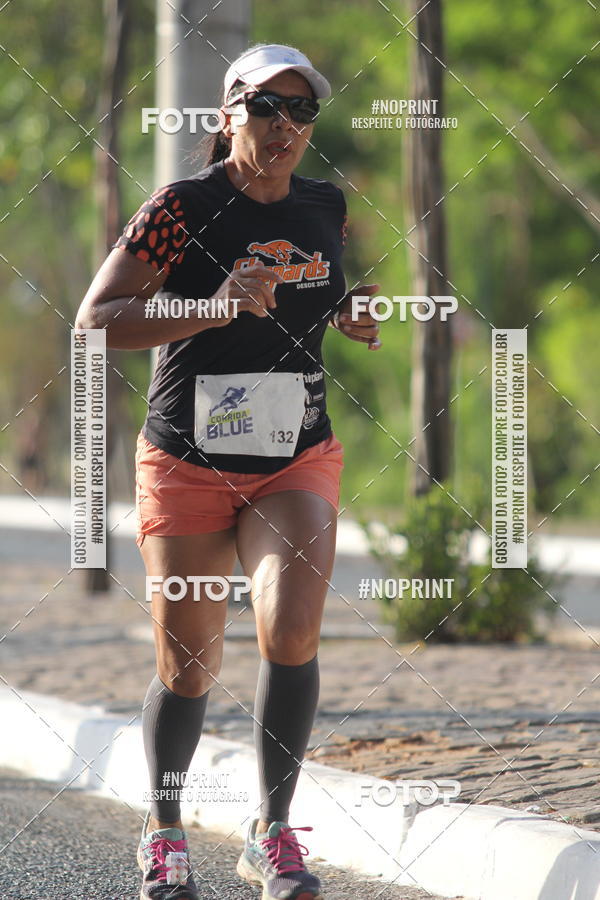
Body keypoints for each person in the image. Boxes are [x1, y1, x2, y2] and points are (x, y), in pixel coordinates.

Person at [76, 42, 381, 900]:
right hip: (188, 462)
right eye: (265, 109)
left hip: (295, 456)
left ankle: (273, 832)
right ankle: (166, 831)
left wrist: (351, 311)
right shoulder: (181, 207)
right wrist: (210, 308)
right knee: (190, 663)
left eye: (300, 111)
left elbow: (323, 284)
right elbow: (96, 320)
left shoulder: (326, 203)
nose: (284, 127)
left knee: (291, 628)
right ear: (227, 115)